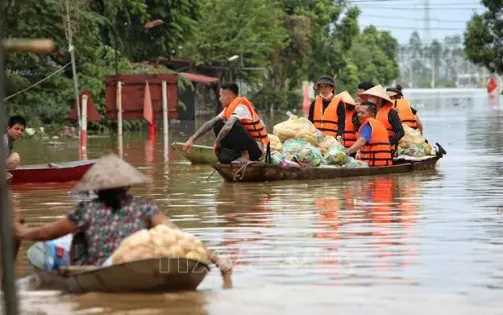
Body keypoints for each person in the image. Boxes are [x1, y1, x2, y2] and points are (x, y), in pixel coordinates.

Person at [14, 153, 232, 273]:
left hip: (97, 271)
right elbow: (179, 236)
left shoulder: (87, 211)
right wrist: (216, 259)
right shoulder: (145, 208)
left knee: (68, 243)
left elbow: (47, 233)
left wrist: (21, 232)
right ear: (127, 186)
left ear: (96, 188)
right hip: (137, 267)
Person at [183, 83, 269, 164]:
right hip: (243, 147)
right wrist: (192, 138)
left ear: (228, 96)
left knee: (234, 124)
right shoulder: (227, 109)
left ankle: (245, 156)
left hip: (256, 151)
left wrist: (217, 142)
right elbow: (209, 124)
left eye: (220, 96)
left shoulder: (241, 107)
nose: (219, 99)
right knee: (218, 124)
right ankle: (230, 155)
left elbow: (228, 126)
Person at [343, 102, 393, 167]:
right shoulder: (380, 125)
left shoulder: (368, 125)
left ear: (372, 115)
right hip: (385, 164)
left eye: (362, 113)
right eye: (358, 112)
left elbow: (362, 141)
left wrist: (347, 152)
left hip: (373, 165)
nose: (359, 115)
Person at [360, 84, 404, 153]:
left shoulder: (391, 113)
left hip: (386, 150)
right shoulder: (367, 113)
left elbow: (400, 132)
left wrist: (388, 143)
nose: (369, 98)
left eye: (372, 97)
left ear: (379, 99)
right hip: (370, 150)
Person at [308, 76, 345, 143]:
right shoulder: (314, 103)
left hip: (332, 140)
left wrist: (339, 135)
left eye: (326, 86)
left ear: (332, 88)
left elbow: (341, 124)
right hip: (316, 139)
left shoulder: (339, 103)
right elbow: (310, 121)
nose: (323, 89)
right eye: (321, 87)